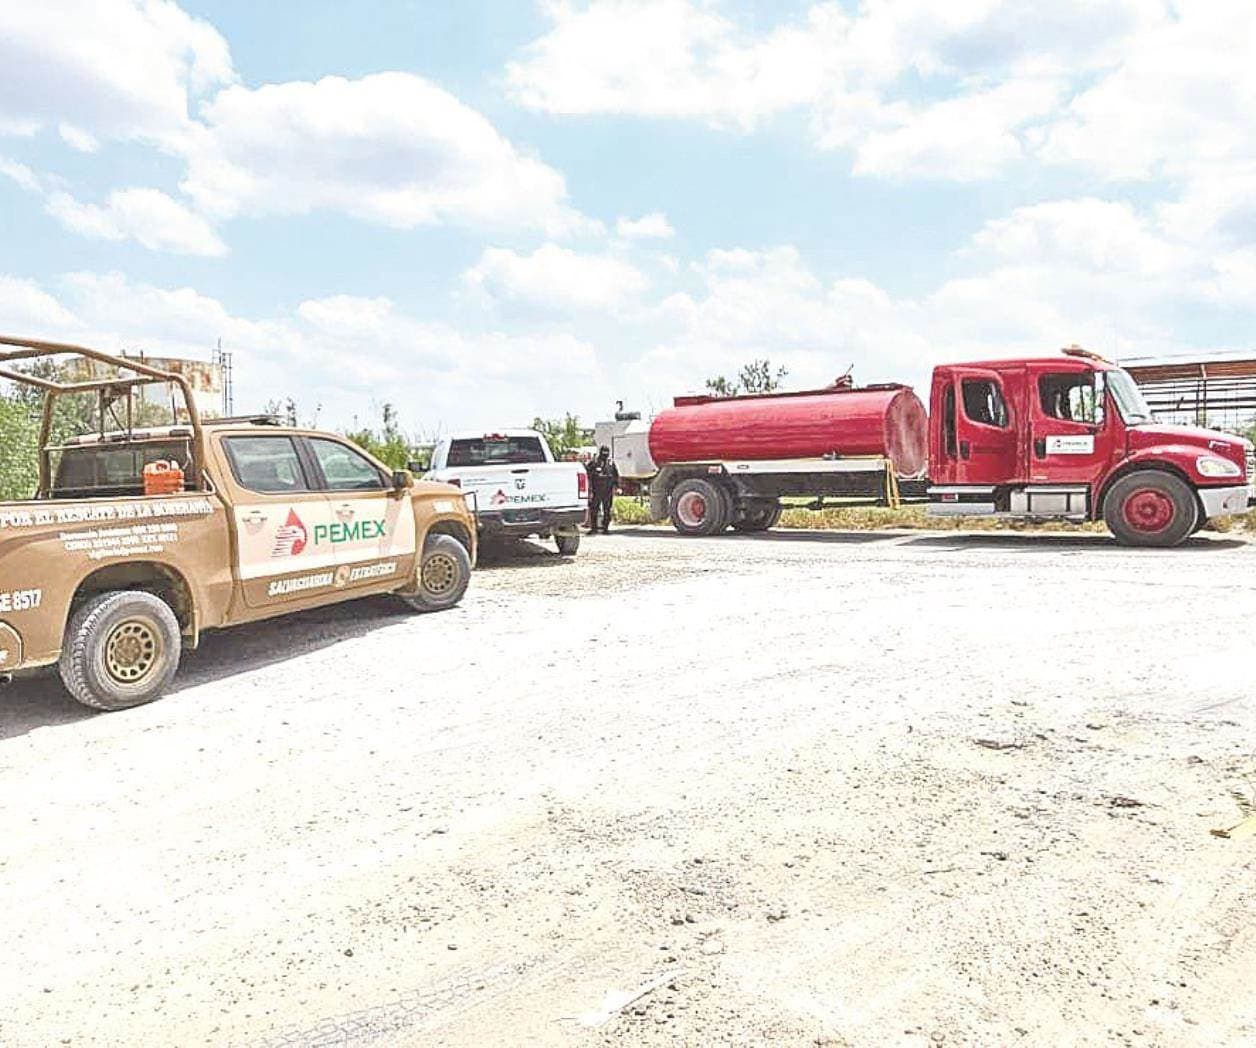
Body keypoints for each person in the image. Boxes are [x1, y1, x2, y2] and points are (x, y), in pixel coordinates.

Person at [586, 445, 618, 534]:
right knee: (594, 509)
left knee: (607, 510)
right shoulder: (594, 462)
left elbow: (615, 475)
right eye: (603, 452)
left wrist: (616, 487)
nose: (605, 454)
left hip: (608, 491)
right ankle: (594, 528)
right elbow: (588, 475)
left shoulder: (611, 463)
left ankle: (605, 528)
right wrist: (590, 489)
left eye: (607, 452)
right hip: (596, 490)